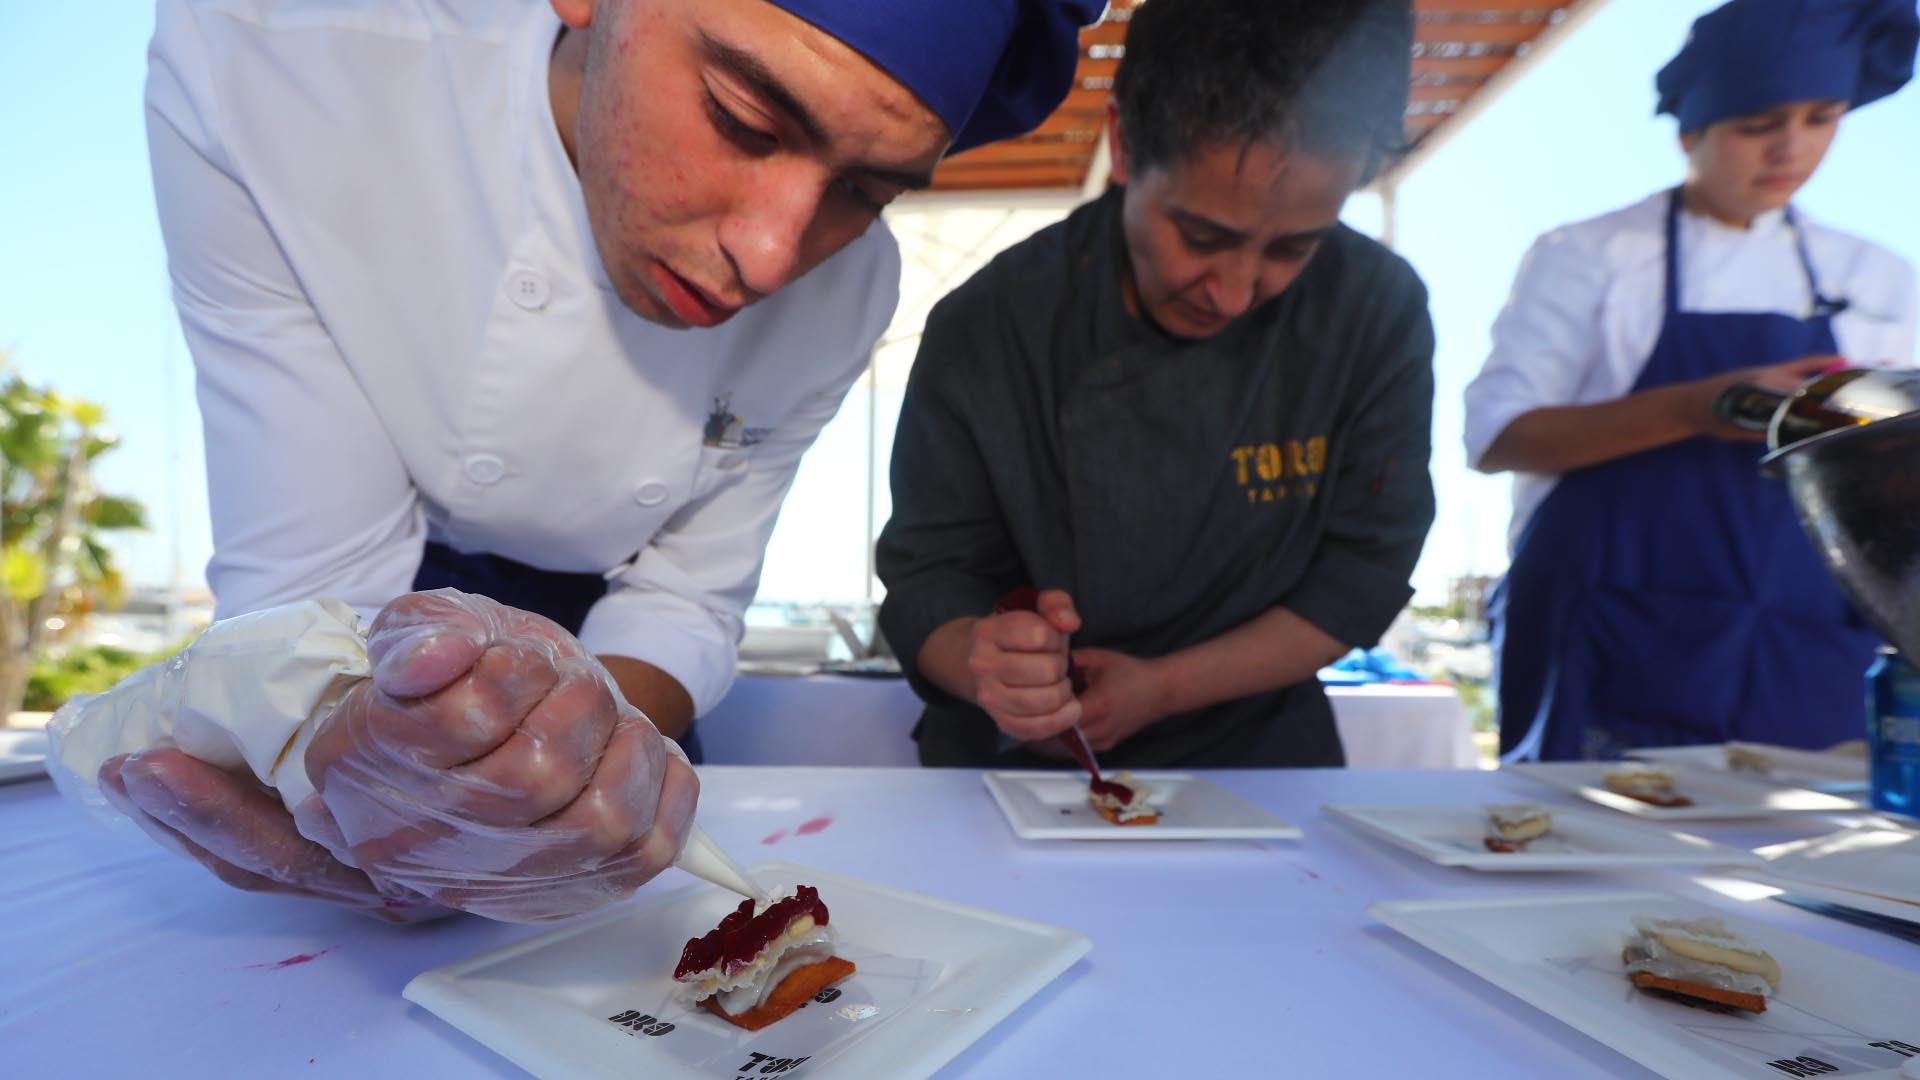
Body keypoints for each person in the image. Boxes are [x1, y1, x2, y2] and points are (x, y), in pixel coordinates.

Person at [86, 0, 1103, 920]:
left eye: (867, 191)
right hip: (383, 626)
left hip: (617, 675)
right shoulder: (269, 71)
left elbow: (687, 597)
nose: (773, 255)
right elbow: (308, 601)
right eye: (743, 119)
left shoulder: (849, 292)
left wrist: (581, 753)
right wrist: (361, 760)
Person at [876, 0, 1436, 769]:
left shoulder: (1376, 309)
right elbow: (925, 581)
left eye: (1293, 248)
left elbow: (1365, 571)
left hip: (1265, 764)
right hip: (1015, 770)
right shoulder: (989, 324)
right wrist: (987, 660)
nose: (1235, 293)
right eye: (1203, 237)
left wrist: (1164, 686)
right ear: (1125, 143)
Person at [1465, 0, 1920, 761]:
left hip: (1803, 651)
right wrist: (1698, 404)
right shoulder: (1590, 255)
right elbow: (1499, 437)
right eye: (1756, 124)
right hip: (1612, 643)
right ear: (1692, 130)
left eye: (1821, 117)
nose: (1790, 148)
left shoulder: (1876, 277)